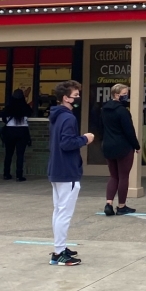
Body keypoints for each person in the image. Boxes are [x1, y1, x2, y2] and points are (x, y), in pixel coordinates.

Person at [48, 80, 95, 266]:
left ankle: (59, 248)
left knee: (58, 211)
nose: (78, 99)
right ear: (65, 98)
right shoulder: (68, 118)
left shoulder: (56, 116)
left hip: (56, 169)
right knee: (64, 213)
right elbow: (66, 143)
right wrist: (85, 139)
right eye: (75, 96)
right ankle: (59, 252)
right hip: (67, 171)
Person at [101, 83, 141, 216]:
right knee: (123, 177)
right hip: (123, 146)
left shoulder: (104, 109)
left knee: (113, 176)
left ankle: (108, 203)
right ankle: (122, 206)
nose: (127, 95)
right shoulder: (122, 111)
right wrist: (137, 146)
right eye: (124, 93)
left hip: (108, 145)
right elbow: (129, 131)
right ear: (117, 95)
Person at [1, 89, 32, 181]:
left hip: (10, 131)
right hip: (22, 131)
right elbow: (30, 112)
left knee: (8, 154)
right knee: (20, 154)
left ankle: (6, 173)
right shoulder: (25, 107)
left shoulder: (8, 107)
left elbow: (3, 118)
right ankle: (19, 175)